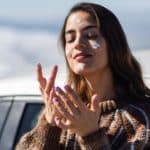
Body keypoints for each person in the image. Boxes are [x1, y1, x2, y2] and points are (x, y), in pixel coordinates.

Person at [16, 2, 150, 150]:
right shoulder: (63, 113)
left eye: (91, 35)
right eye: (70, 39)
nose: (78, 44)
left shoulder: (141, 119)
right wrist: (48, 124)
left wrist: (91, 135)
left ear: (114, 44)